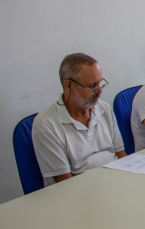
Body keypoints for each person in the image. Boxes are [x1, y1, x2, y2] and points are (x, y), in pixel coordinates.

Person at [33, 53, 127, 186]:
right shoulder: (46, 124)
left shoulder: (103, 108)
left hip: (115, 183)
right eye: (92, 85)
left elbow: (121, 154)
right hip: (79, 193)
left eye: (100, 82)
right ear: (68, 85)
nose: (100, 91)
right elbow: (65, 183)